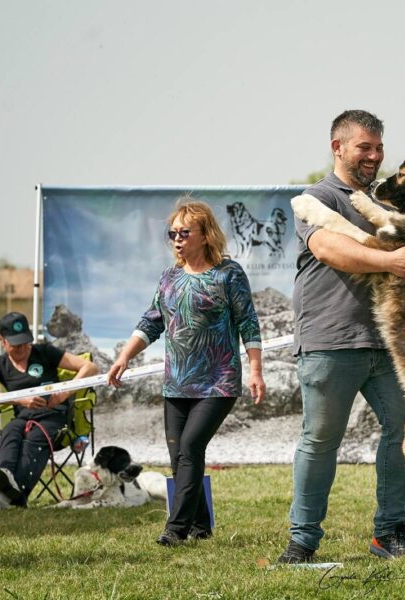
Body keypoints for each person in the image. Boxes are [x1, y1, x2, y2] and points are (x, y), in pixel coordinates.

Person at [278, 109, 405, 564]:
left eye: (378, 147)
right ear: (338, 148)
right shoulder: (317, 197)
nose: (373, 155)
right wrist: (391, 262)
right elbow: (330, 248)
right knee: (321, 440)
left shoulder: (388, 207)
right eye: (364, 147)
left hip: (389, 345)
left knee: (403, 432)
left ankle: (390, 533)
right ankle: (302, 542)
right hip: (330, 341)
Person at [107, 197, 265, 547]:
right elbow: (152, 321)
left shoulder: (228, 274)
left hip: (218, 382)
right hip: (176, 383)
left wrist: (255, 369)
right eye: (171, 233)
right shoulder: (170, 277)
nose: (177, 239)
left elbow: (248, 324)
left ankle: (175, 530)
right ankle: (201, 526)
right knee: (180, 457)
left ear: (205, 234)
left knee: (191, 448)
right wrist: (124, 357)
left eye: (184, 232)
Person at [0, 311, 98, 508]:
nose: (22, 348)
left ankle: (13, 497)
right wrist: (19, 399)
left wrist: (64, 393)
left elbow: (89, 367)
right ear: (2, 340)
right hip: (22, 417)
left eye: (24, 342)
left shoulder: (45, 352)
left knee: (35, 438)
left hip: (53, 417)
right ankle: (5, 483)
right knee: (9, 433)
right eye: (15, 344)